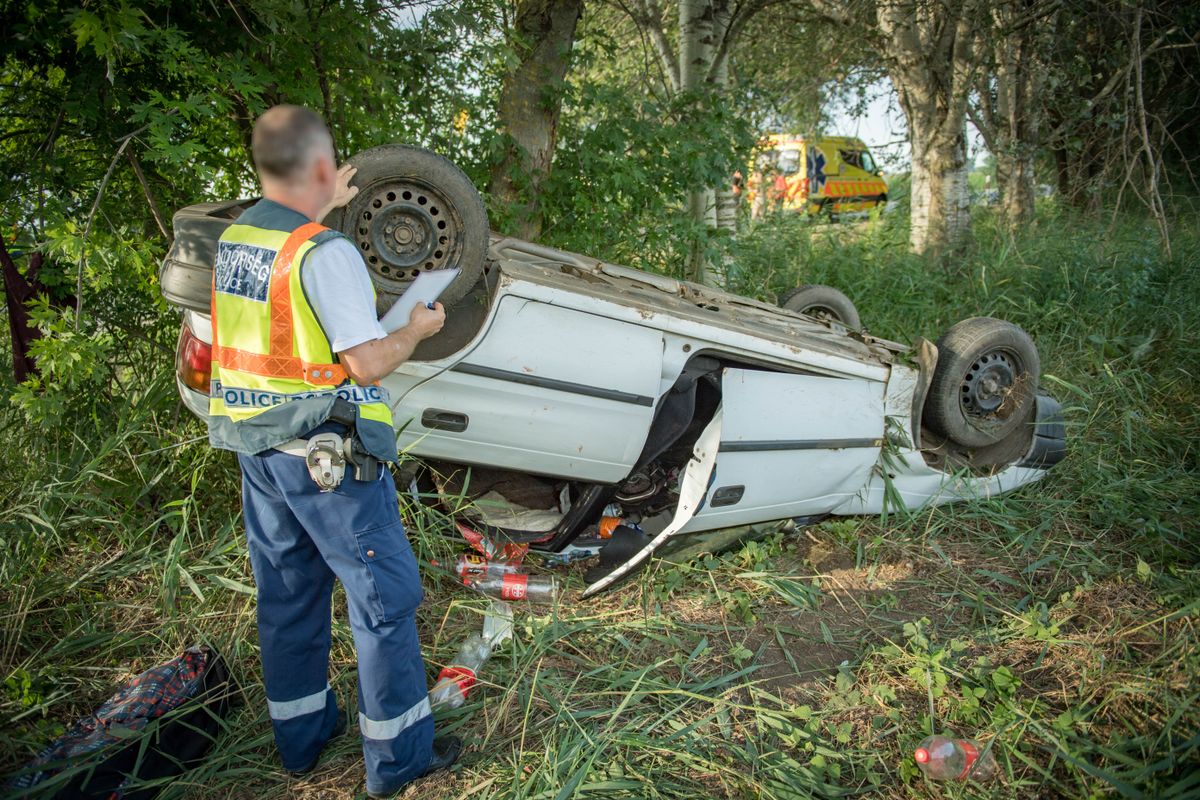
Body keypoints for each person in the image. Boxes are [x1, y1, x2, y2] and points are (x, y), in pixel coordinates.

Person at [205, 104, 460, 798]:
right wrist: (415, 330)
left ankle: (303, 740)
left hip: (260, 452)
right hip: (330, 462)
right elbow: (368, 362)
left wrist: (326, 197)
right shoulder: (327, 254)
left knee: (287, 597)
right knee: (383, 600)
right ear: (321, 167)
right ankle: (401, 760)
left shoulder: (240, 238)